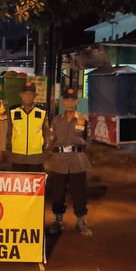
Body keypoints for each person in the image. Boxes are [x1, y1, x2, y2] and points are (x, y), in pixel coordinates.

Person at [46, 87, 92, 236]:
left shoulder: (83, 120)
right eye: (67, 100)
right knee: (58, 193)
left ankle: (81, 220)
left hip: (77, 161)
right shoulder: (56, 120)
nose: (70, 103)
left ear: (77, 101)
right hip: (59, 161)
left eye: (73, 100)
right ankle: (58, 220)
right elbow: (51, 140)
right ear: (63, 102)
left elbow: (88, 140)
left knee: (79, 192)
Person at [8, 81, 49, 172]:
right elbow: (8, 132)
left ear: (35, 96)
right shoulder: (13, 111)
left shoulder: (42, 112)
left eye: (30, 94)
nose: (28, 96)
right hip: (17, 156)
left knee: (35, 184)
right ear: (21, 95)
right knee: (18, 184)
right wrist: (10, 147)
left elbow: (46, 133)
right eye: (25, 94)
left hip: (36, 156)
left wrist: (45, 150)